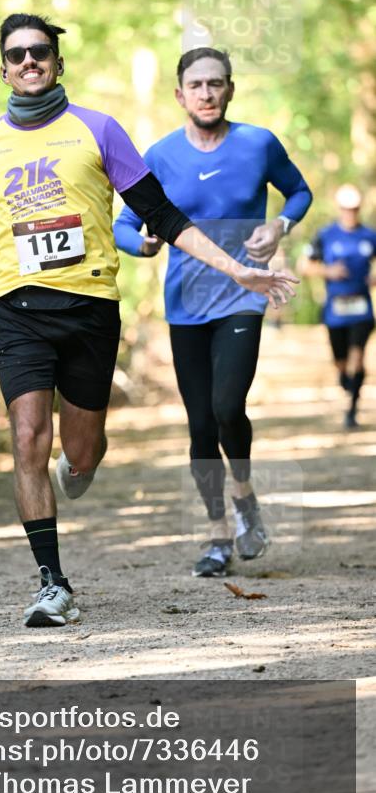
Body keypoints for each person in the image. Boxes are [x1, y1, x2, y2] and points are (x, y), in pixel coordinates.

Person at [0, 20, 298, 625]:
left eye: (39, 51)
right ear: (4, 69)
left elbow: (161, 215)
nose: (29, 60)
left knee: (81, 454)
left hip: (89, 310)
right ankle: (53, 583)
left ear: (57, 61)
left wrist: (240, 272)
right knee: (28, 438)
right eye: (16, 54)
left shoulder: (98, 130)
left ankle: (82, 460)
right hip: (17, 311)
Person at [114, 47, 312, 579]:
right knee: (200, 424)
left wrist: (279, 226)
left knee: (227, 406)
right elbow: (123, 224)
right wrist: (143, 245)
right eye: (196, 85)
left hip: (244, 296)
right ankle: (218, 535)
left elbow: (299, 192)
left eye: (215, 83)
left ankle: (245, 496)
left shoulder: (258, 143)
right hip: (186, 304)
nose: (206, 93)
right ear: (180, 95)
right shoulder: (159, 155)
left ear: (230, 90)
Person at [300, 183, 375, 429]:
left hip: (361, 308)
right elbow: (304, 265)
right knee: (341, 360)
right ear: (339, 208)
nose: (350, 213)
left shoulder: (369, 236)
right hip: (336, 309)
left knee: (358, 356)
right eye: (346, 208)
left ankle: (352, 409)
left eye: (354, 208)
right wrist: (328, 271)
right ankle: (344, 377)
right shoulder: (326, 235)